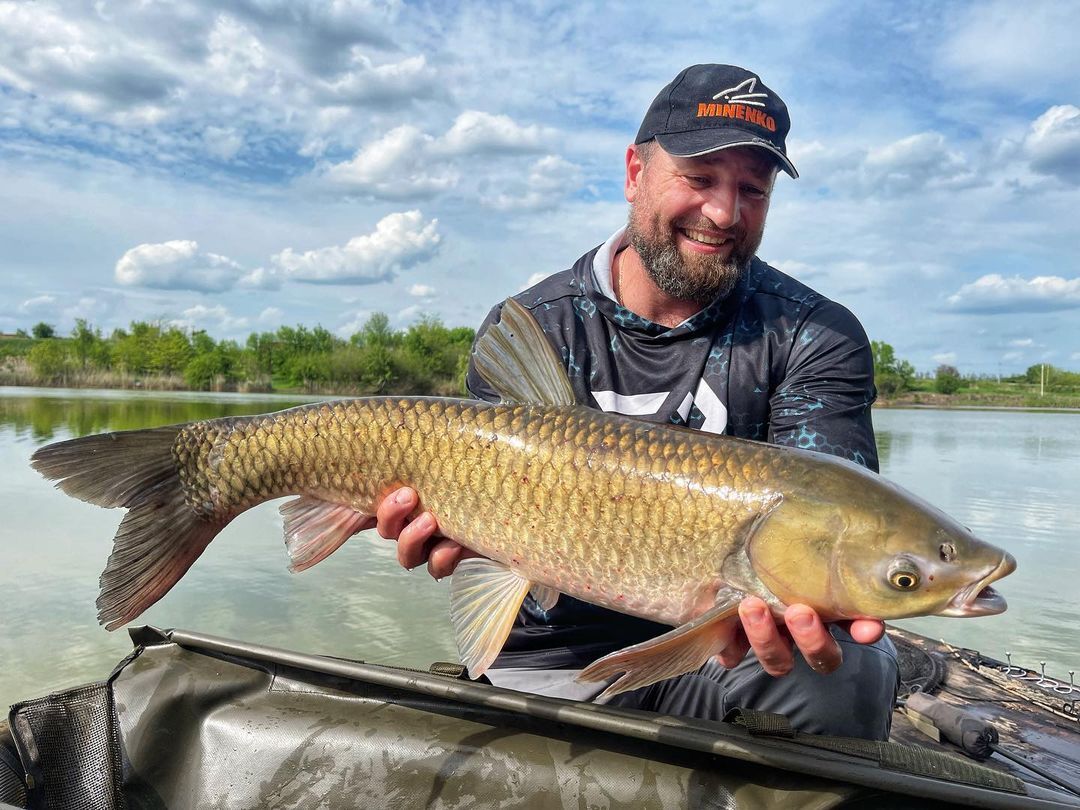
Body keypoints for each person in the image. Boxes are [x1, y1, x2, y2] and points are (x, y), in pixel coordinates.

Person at [372, 64, 899, 740]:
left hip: (733, 654)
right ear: (634, 172)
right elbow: (466, 543)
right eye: (700, 179)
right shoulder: (535, 325)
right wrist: (456, 539)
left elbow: (835, 522)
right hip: (553, 655)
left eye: (752, 190)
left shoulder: (813, 335)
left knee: (851, 663)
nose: (724, 213)